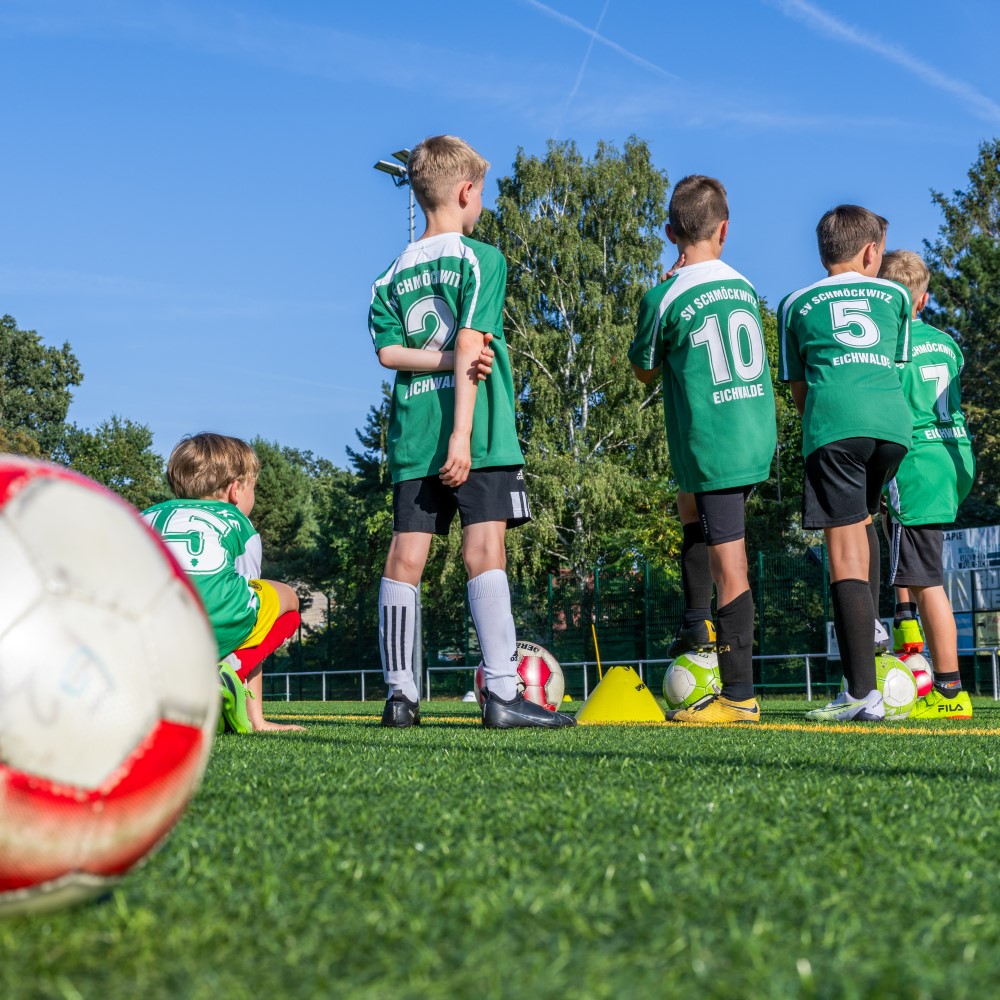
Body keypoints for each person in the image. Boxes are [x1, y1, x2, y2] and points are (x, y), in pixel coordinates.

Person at [368, 134, 574, 730]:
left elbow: (388, 353)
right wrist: (461, 434)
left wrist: (441, 365)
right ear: (465, 192)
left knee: (405, 557)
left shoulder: (389, 275)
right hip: (475, 432)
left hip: (412, 433)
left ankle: (401, 698)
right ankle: (503, 695)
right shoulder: (481, 260)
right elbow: (466, 342)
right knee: (484, 551)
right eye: (480, 192)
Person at [629, 174, 777, 723]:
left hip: (714, 440)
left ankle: (739, 697)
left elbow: (645, 371)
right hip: (751, 431)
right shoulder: (741, 284)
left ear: (671, 232)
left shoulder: (664, 294)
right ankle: (696, 626)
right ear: (724, 230)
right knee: (687, 507)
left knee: (730, 564)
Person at [778, 205, 913, 722]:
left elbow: (798, 389)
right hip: (892, 430)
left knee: (844, 555)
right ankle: (874, 631)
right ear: (871, 251)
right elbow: (891, 366)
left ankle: (861, 692)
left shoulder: (794, 303)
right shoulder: (897, 295)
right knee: (865, 521)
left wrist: (826, 426)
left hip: (835, 425)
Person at [143, 433, 304, 734]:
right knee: (287, 603)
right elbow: (248, 603)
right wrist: (259, 720)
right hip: (215, 619)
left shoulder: (148, 514)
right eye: (253, 488)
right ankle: (227, 673)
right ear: (235, 490)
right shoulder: (236, 522)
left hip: (150, 630)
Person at [878, 250, 975, 719]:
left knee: (927, 580)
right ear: (924, 298)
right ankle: (907, 633)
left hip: (915, 464)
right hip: (952, 458)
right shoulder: (949, 344)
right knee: (916, 564)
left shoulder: (889, 346)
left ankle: (950, 691)